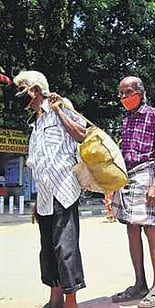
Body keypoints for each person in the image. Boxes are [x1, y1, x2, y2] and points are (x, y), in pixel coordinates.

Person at [14, 70, 86, 308]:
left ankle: (71, 302)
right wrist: (36, 200)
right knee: (47, 251)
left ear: (35, 89)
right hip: (45, 196)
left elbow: (81, 134)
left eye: (22, 87)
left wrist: (57, 110)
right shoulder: (34, 123)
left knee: (65, 249)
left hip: (64, 190)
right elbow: (38, 163)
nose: (18, 93)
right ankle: (54, 299)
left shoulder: (61, 106)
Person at [111, 76, 155, 307]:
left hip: (148, 176)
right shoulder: (125, 120)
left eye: (128, 92)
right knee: (131, 231)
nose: (125, 97)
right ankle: (139, 283)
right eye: (122, 94)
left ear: (141, 92)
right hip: (128, 177)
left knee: (151, 231)